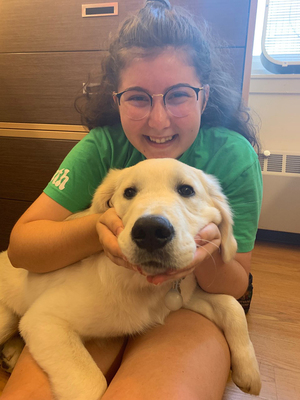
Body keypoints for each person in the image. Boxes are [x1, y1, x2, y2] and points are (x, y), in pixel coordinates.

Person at [2, 0, 262, 399]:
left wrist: (205, 251)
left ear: (203, 98)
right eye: (139, 97)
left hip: (195, 294)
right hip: (94, 294)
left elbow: (234, 281)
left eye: (178, 95)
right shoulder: (102, 148)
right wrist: (97, 230)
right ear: (117, 100)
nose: (159, 121)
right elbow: (21, 246)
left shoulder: (231, 157)